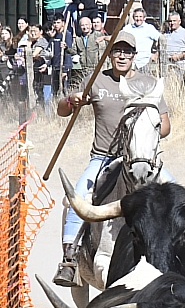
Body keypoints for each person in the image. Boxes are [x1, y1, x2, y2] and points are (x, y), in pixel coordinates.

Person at [53, 31, 172, 286]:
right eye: (117, 51)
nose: (122, 56)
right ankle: (69, 258)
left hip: (142, 159)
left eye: (127, 51)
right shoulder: (97, 80)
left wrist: (146, 129)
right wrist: (71, 100)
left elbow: (165, 126)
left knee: (175, 194)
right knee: (79, 197)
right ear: (110, 54)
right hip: (104, 157)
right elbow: (62, 111)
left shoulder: (148, 84)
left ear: (134, 55)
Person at [70, 15, 103, 87]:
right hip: (83, 69)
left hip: (95, 68)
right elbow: (74, 51)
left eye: (86, 25)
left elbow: (103, 52)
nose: (85, 27)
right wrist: (66, 48)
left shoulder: (98, 35)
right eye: (82, 25)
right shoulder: (78, 39)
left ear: (91, 25)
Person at [122, 6, 159, 70]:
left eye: (140, 17)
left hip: (145, 62)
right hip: (130, 61)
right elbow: (118, 37)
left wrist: (156, 54)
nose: (138, 19)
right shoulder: (128, 28)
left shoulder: (149, 28)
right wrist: (105, 37)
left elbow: (161, 40)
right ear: (133, 18)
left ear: (144, 18)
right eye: (136, 16)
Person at [26, 23, 50, 107]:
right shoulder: (34, 42)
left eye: (35, 31)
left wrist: (28, 45)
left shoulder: (42, 41)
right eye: (31, 31)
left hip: (42, 70)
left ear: (41, 31)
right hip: (36, 69)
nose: (33, 33)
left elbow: (33, 55)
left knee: (41, 91)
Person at [161, 11, 185, 75]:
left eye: (174, 21)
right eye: (170, 21)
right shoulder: (165, 34)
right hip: (166, 66)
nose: (172, 23)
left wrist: (179, 56)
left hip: (180, 66)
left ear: (179, 21)